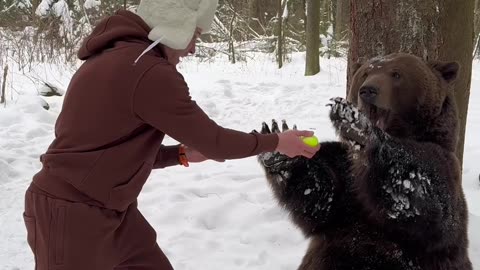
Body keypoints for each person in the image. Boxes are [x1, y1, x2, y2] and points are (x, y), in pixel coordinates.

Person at [22, 0, 320, 269]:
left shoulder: (113, 58)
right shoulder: (148, 72)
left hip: (112, 212)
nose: (192, 48)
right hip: (71, 215)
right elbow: (215, 142)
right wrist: (279, 142)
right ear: (177, 24)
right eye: (196, 35)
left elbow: (107, 154)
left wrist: (178, 154)